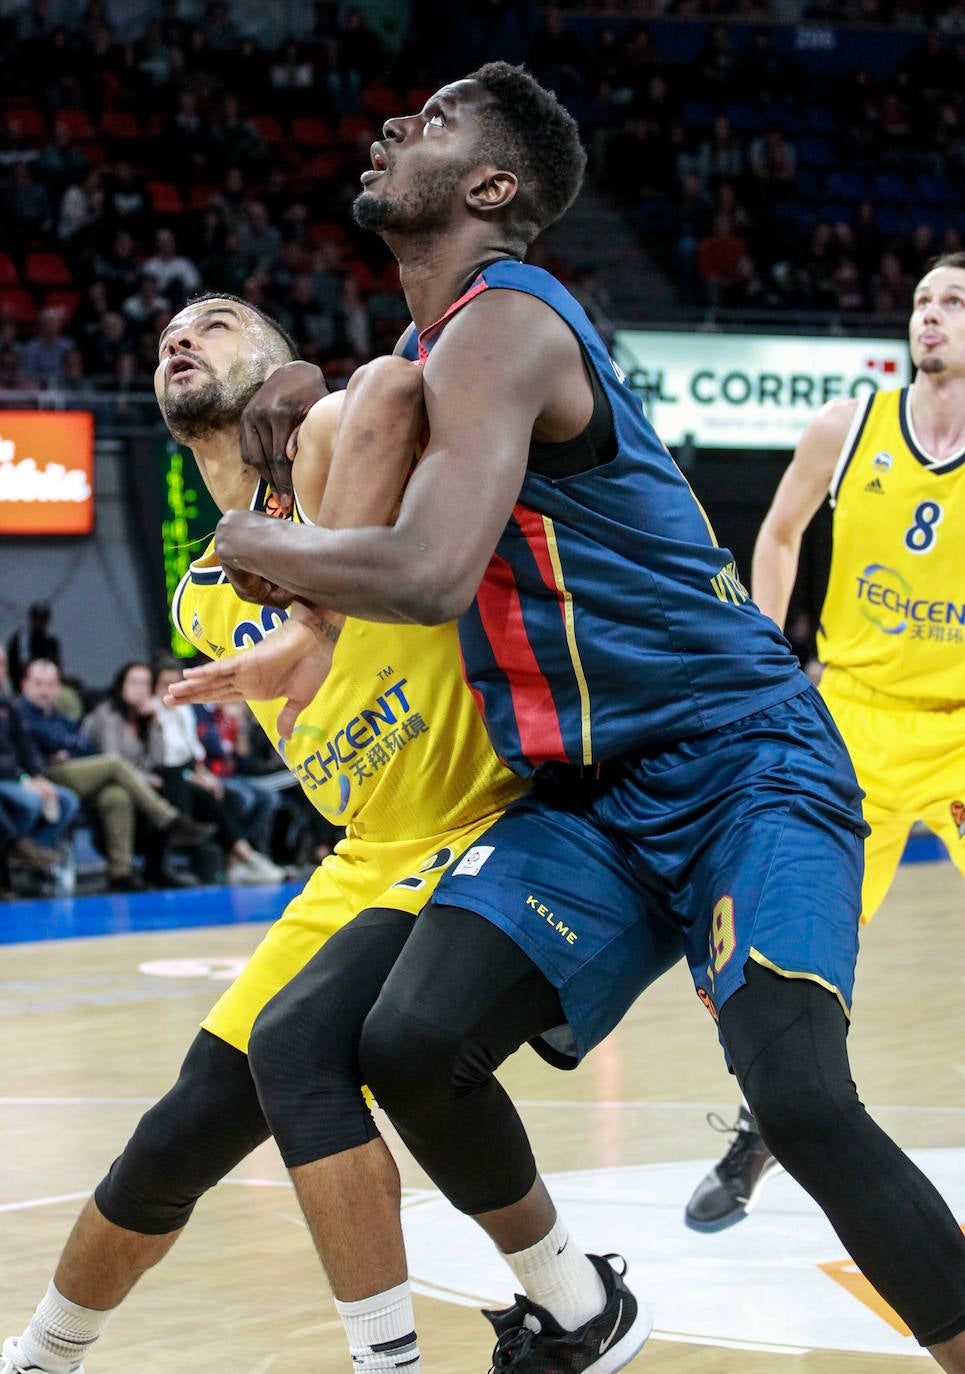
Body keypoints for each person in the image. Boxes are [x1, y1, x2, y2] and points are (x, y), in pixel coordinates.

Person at [178, 64, 965, 1371]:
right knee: (411, 1038)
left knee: (797, 1089)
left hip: (742, 758)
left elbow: (425, 574)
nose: (388, 126)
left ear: (491, 188)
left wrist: (249, 529)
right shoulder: (431, 357)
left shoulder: (507, 325)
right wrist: (296, 552)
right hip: (596, 792)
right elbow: (369, 536)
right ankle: (574, 1309)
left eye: (428, 124)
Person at [0, 294, 640, 1374]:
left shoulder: (345, 456)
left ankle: (392, 1357)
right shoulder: (204, 587)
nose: (180, 337)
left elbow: (382, 405)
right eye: (168, 334)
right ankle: (41, 1358)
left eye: (215, 322)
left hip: (481, 825)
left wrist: (311, 398)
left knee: (306, 1048)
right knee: (176, 1135)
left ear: (281, 361)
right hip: (362, 855)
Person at [684, 251, 965, 1233]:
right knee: (804, 949)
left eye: (952, 303)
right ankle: (768, 1124)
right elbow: (775, 534)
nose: (928, 316)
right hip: (850, 719)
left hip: (959, 729)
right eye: (921, 299)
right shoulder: (846, 428)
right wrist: (768, 657)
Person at [17, 658, 214, 892]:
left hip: (91, 775)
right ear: (24, 685)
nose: (44, 691)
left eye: (50, 684)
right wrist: (64, 748)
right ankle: (170, 820)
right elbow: (103, 755)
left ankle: (120, 874)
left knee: (116, 796)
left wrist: (155, 725)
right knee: (115, 765)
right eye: (38, 684)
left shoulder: (58, 716)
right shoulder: (22, 714)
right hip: (44, 776)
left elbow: (88, 747)